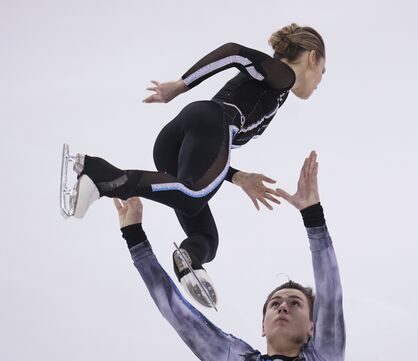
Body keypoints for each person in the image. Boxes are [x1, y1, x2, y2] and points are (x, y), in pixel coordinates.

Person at [68, 23, 326, 306]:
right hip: (210, 121)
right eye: (322, 72)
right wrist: (181, 85)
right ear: (312, 57)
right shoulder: (284, 75)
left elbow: (210, 149)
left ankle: (189, 259)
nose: (319, 82)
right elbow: (234, 52)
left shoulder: (278, 88)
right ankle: (101, 174)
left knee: (206, 237)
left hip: (183, 137)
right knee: (193, 197)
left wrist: (238, 177)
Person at [114, 151, 345, 361]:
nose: (283, 307)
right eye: (275, 304)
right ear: (263, 326)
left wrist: (313, 216)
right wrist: (134, 237)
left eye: (295, 304)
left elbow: (330, 293)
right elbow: (180, 315)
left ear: (312, 328)